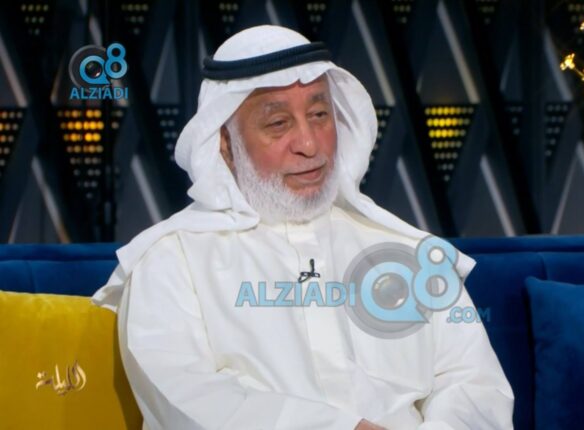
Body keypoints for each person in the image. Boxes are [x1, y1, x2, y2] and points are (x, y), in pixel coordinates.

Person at [92, 25, 514, 430]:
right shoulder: (172, 260)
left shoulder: (406, 252)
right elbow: (186, 401)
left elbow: (476, 387)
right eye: (278, 123)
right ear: (225, 144)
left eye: (319, 114)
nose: (309, 144)